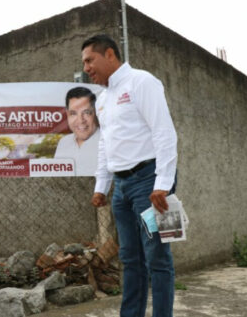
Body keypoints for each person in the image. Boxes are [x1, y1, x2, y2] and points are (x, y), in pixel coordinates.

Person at [82, 34, 178, 317]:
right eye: (84, 63)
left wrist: (164, 184)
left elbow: (164, 133)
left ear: (109, 54)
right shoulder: (102, 99)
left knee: (157, 258)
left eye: (90, 60)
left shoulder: (142, 82)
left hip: (150, 183)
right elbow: (105, 144)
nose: (87, 67)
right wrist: (102, 186)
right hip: (122, 188)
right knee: (130, 259)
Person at [54, 86, 100, 176]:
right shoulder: (63, 142)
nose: (80, 120)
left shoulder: (109, 142)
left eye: (86, 112)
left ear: (96, 112)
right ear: (67, 114)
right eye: (73, 113)